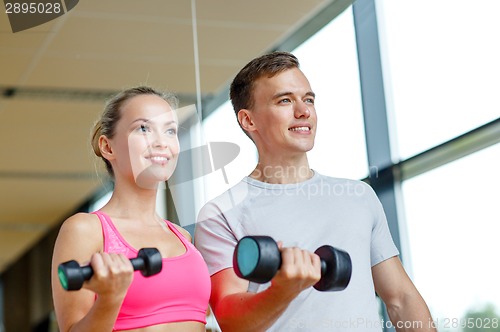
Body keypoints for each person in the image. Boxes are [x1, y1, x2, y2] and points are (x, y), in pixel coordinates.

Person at [194, 52, 436, 331]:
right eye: (285, 100)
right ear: (249, 121)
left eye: (308, 99)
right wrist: (283, 290)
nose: (303, 111)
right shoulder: (221, 212)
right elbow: (231, 320)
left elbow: (401, 299)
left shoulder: (358, 196)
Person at [51, 86, 211, 332]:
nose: (161, 142)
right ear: (108, 147)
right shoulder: (85, 230)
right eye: (143, 128)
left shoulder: (183, 237)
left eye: (170, 131)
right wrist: (110, 298)